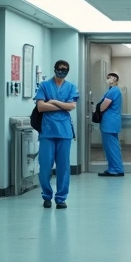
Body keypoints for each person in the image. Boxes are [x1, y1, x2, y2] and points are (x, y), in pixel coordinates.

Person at [34, 60, 79, 209]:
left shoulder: (71, 87)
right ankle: (47, 196)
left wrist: (52, 102)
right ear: (54, 69)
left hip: (65, 132)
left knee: (63, 167)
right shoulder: (45, 85)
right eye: (59, 69)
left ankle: (61, 198)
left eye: (65, 69)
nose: (62, 71)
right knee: (45, 166)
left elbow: (71, 106)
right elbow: (40, 107)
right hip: (48, 131)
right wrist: (62, 105)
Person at [97, 73, 125, 177]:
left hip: (110, 123)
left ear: (117, 80)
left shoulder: (114, 90)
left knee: (112, 147)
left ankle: (117, 169)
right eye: (108, 78)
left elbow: (102, 107)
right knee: (111, 147)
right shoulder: (113, 90)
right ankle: (113, 168)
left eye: (112, 78)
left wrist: (98, 108)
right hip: (111, 122)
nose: (109, 79)